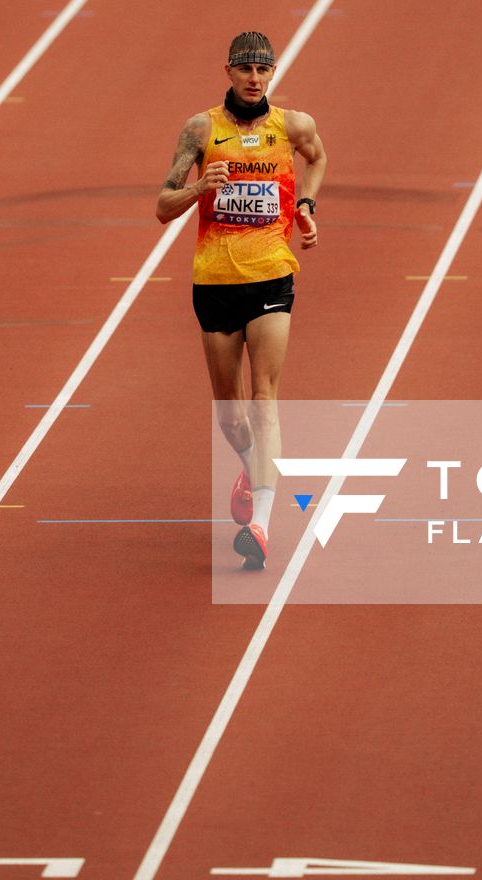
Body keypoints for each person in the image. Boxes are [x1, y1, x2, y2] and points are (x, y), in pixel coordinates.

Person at [155, 32, 326, 570]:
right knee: (231, 417)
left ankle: (262, 524)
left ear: (272, 73)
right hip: (214, 281)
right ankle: (253, 470)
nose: (255, 78)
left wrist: (305, 204)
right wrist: (199, 189)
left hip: (272, 276)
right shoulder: (202, 129)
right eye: (246, 69)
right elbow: (162, 205)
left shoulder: (292, 125)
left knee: (264, 395)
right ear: (228, 71)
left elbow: (317, 159)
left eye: (264, 70)